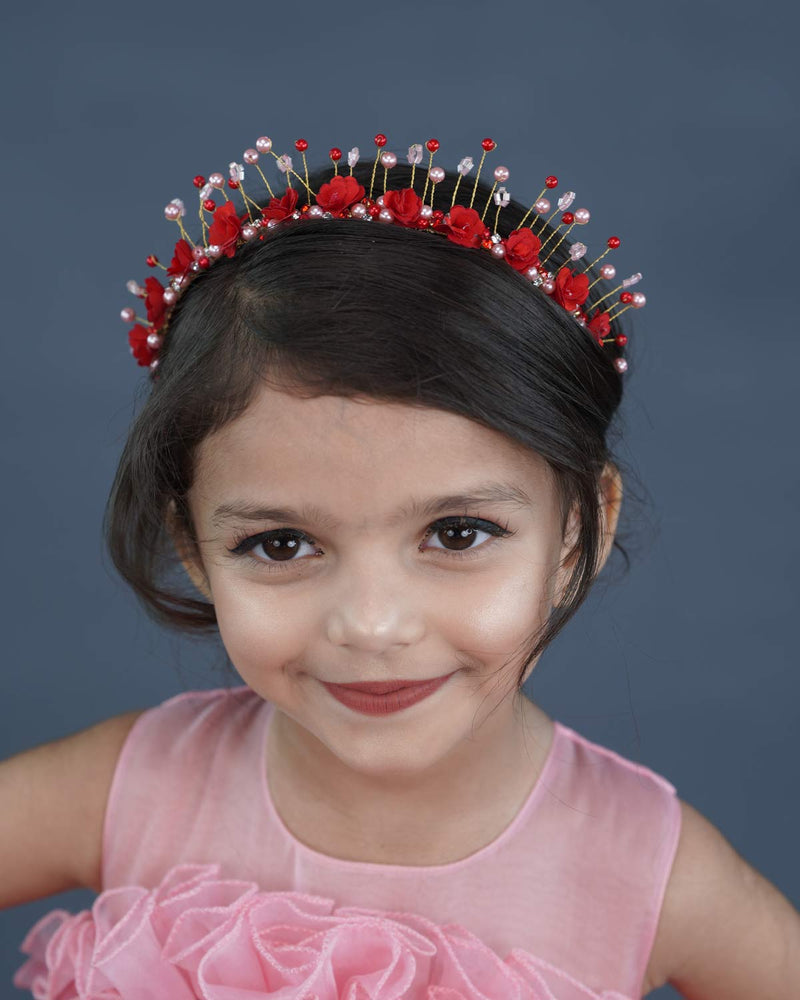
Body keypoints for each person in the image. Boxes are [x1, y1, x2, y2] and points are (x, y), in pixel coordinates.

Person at [4, 134, 799, 1000]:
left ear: (579, 530)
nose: (373, 624)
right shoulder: (132, 788)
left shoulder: (652, 872)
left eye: (457, 534)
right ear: (194, 545)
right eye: (280, 544)